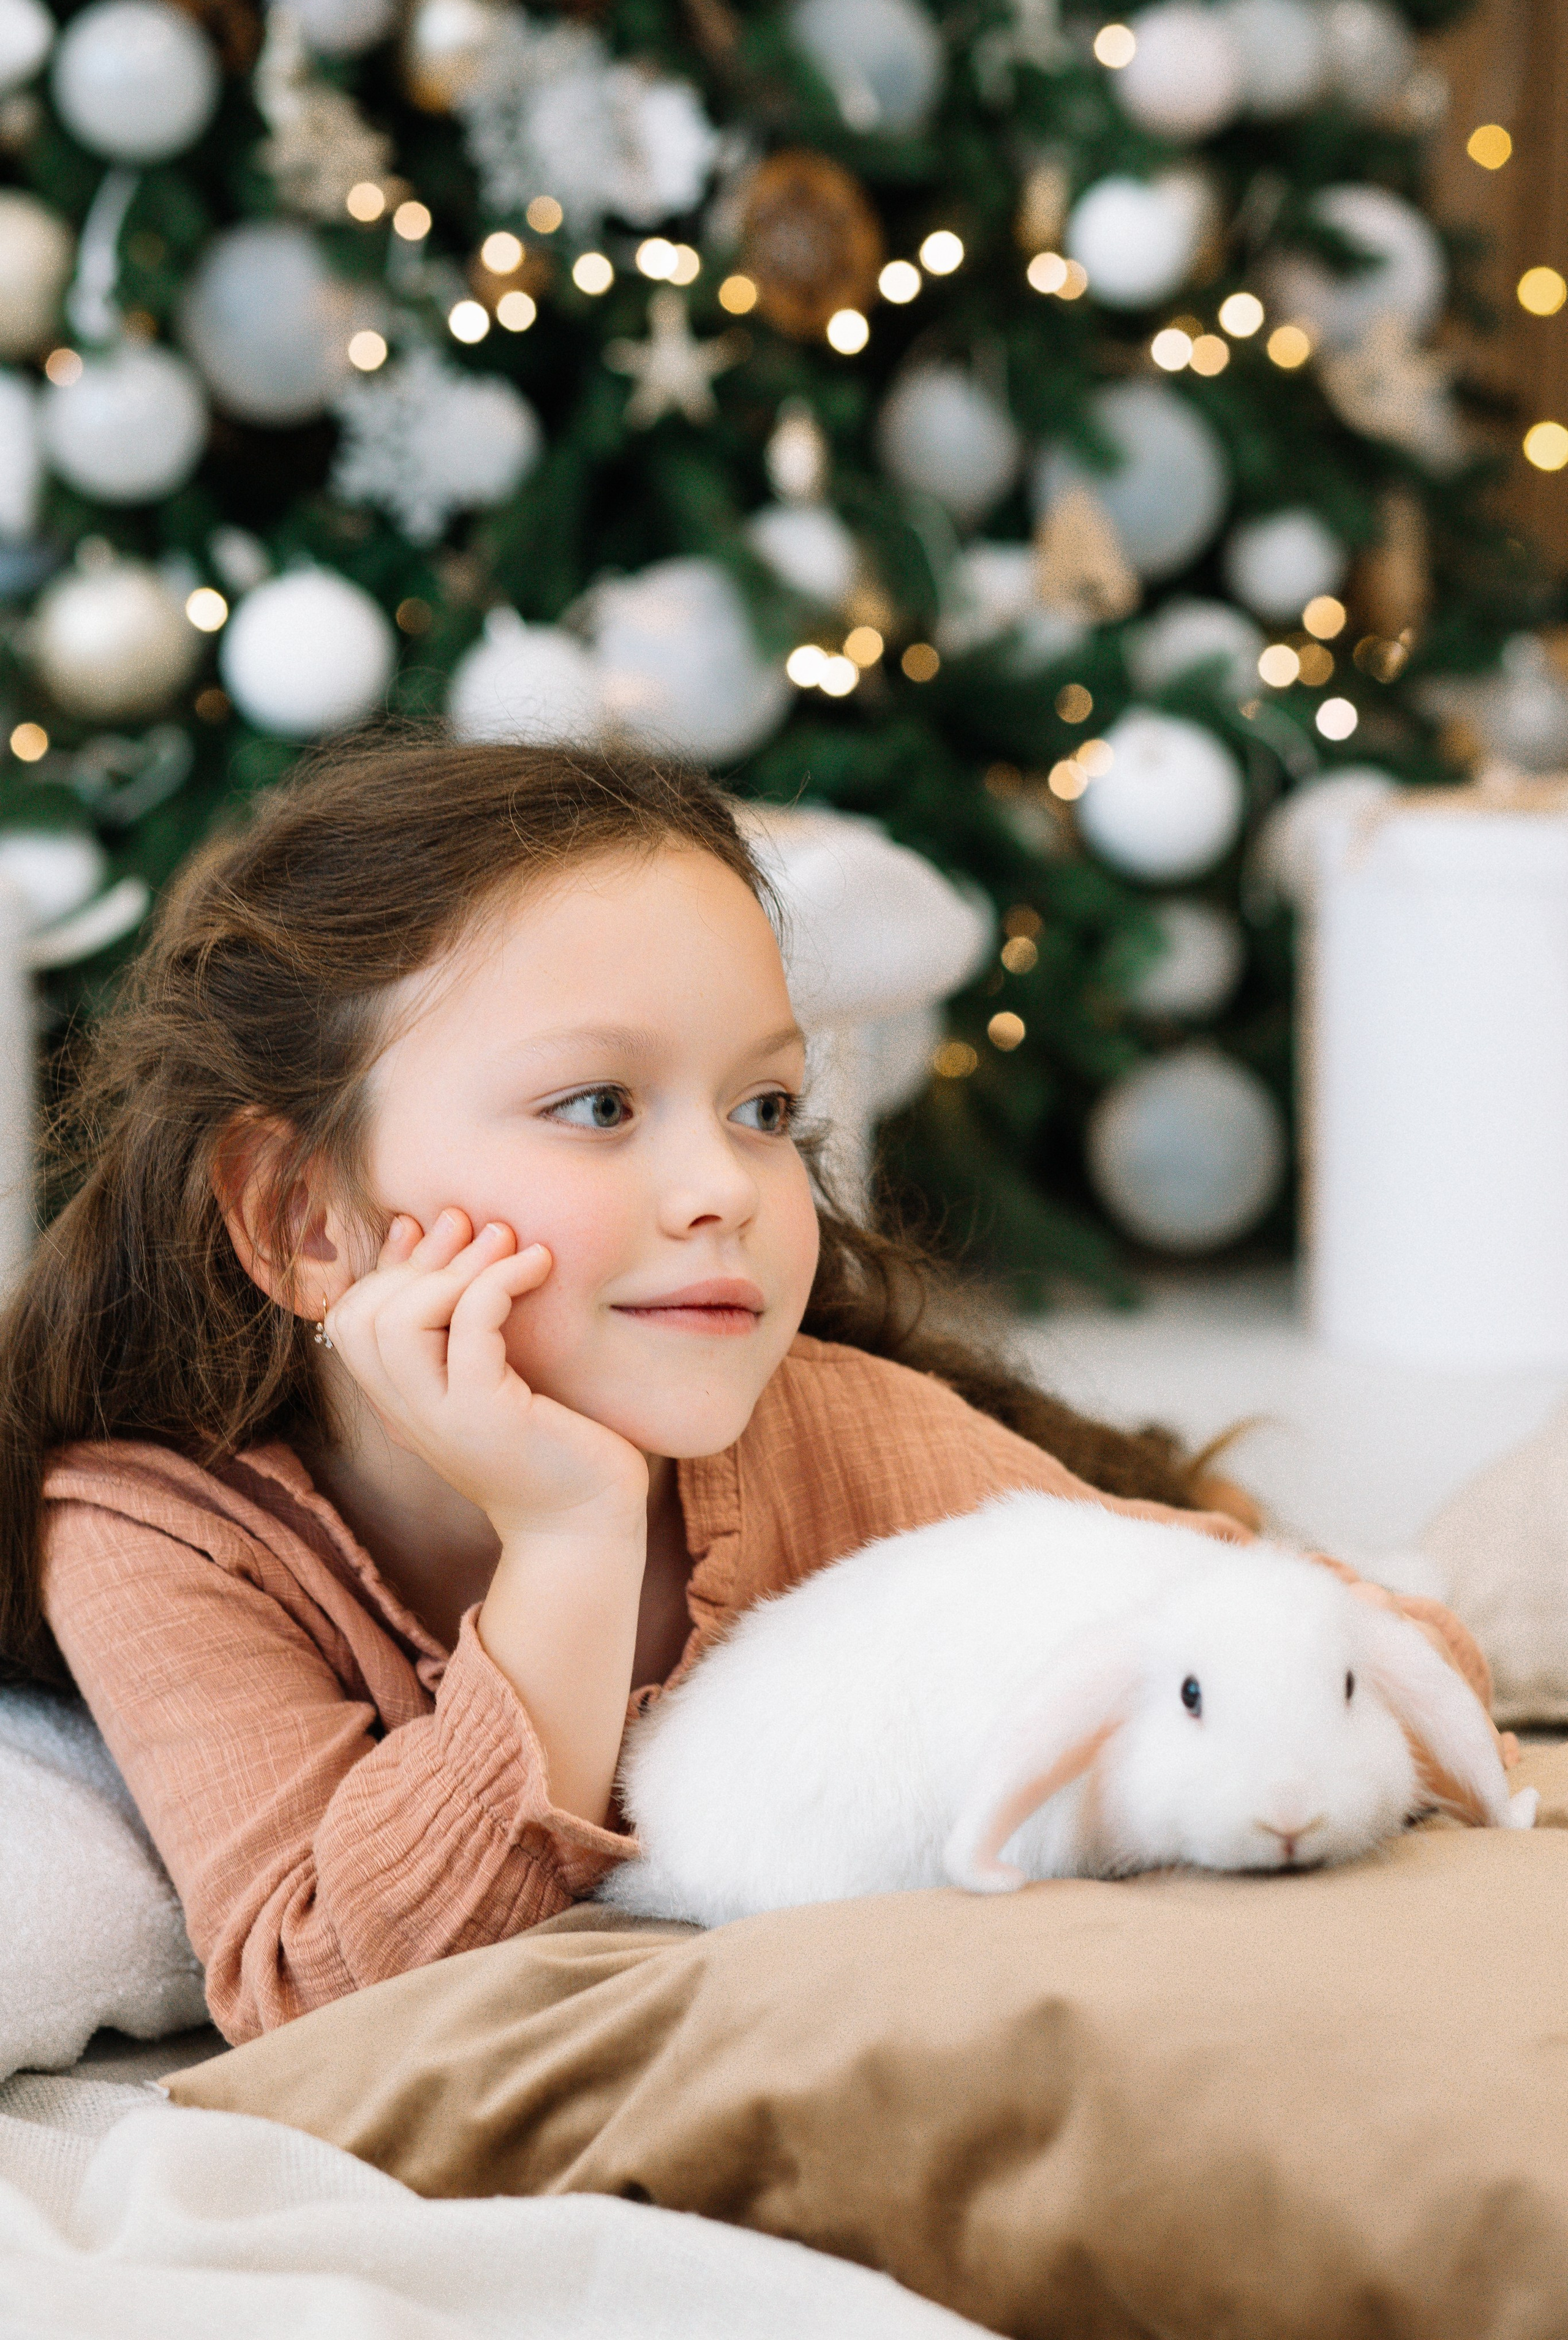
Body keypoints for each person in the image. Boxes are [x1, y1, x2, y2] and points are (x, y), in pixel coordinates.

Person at [0, 739, 1491, 2045]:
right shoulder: (155, 1535)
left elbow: (1353, 1658)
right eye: (598, 1105)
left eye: (764, 1106)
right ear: (305, 1219)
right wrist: (572, 1539)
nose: (723, 1184)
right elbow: (317, 1986)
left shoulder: (841, 1431)